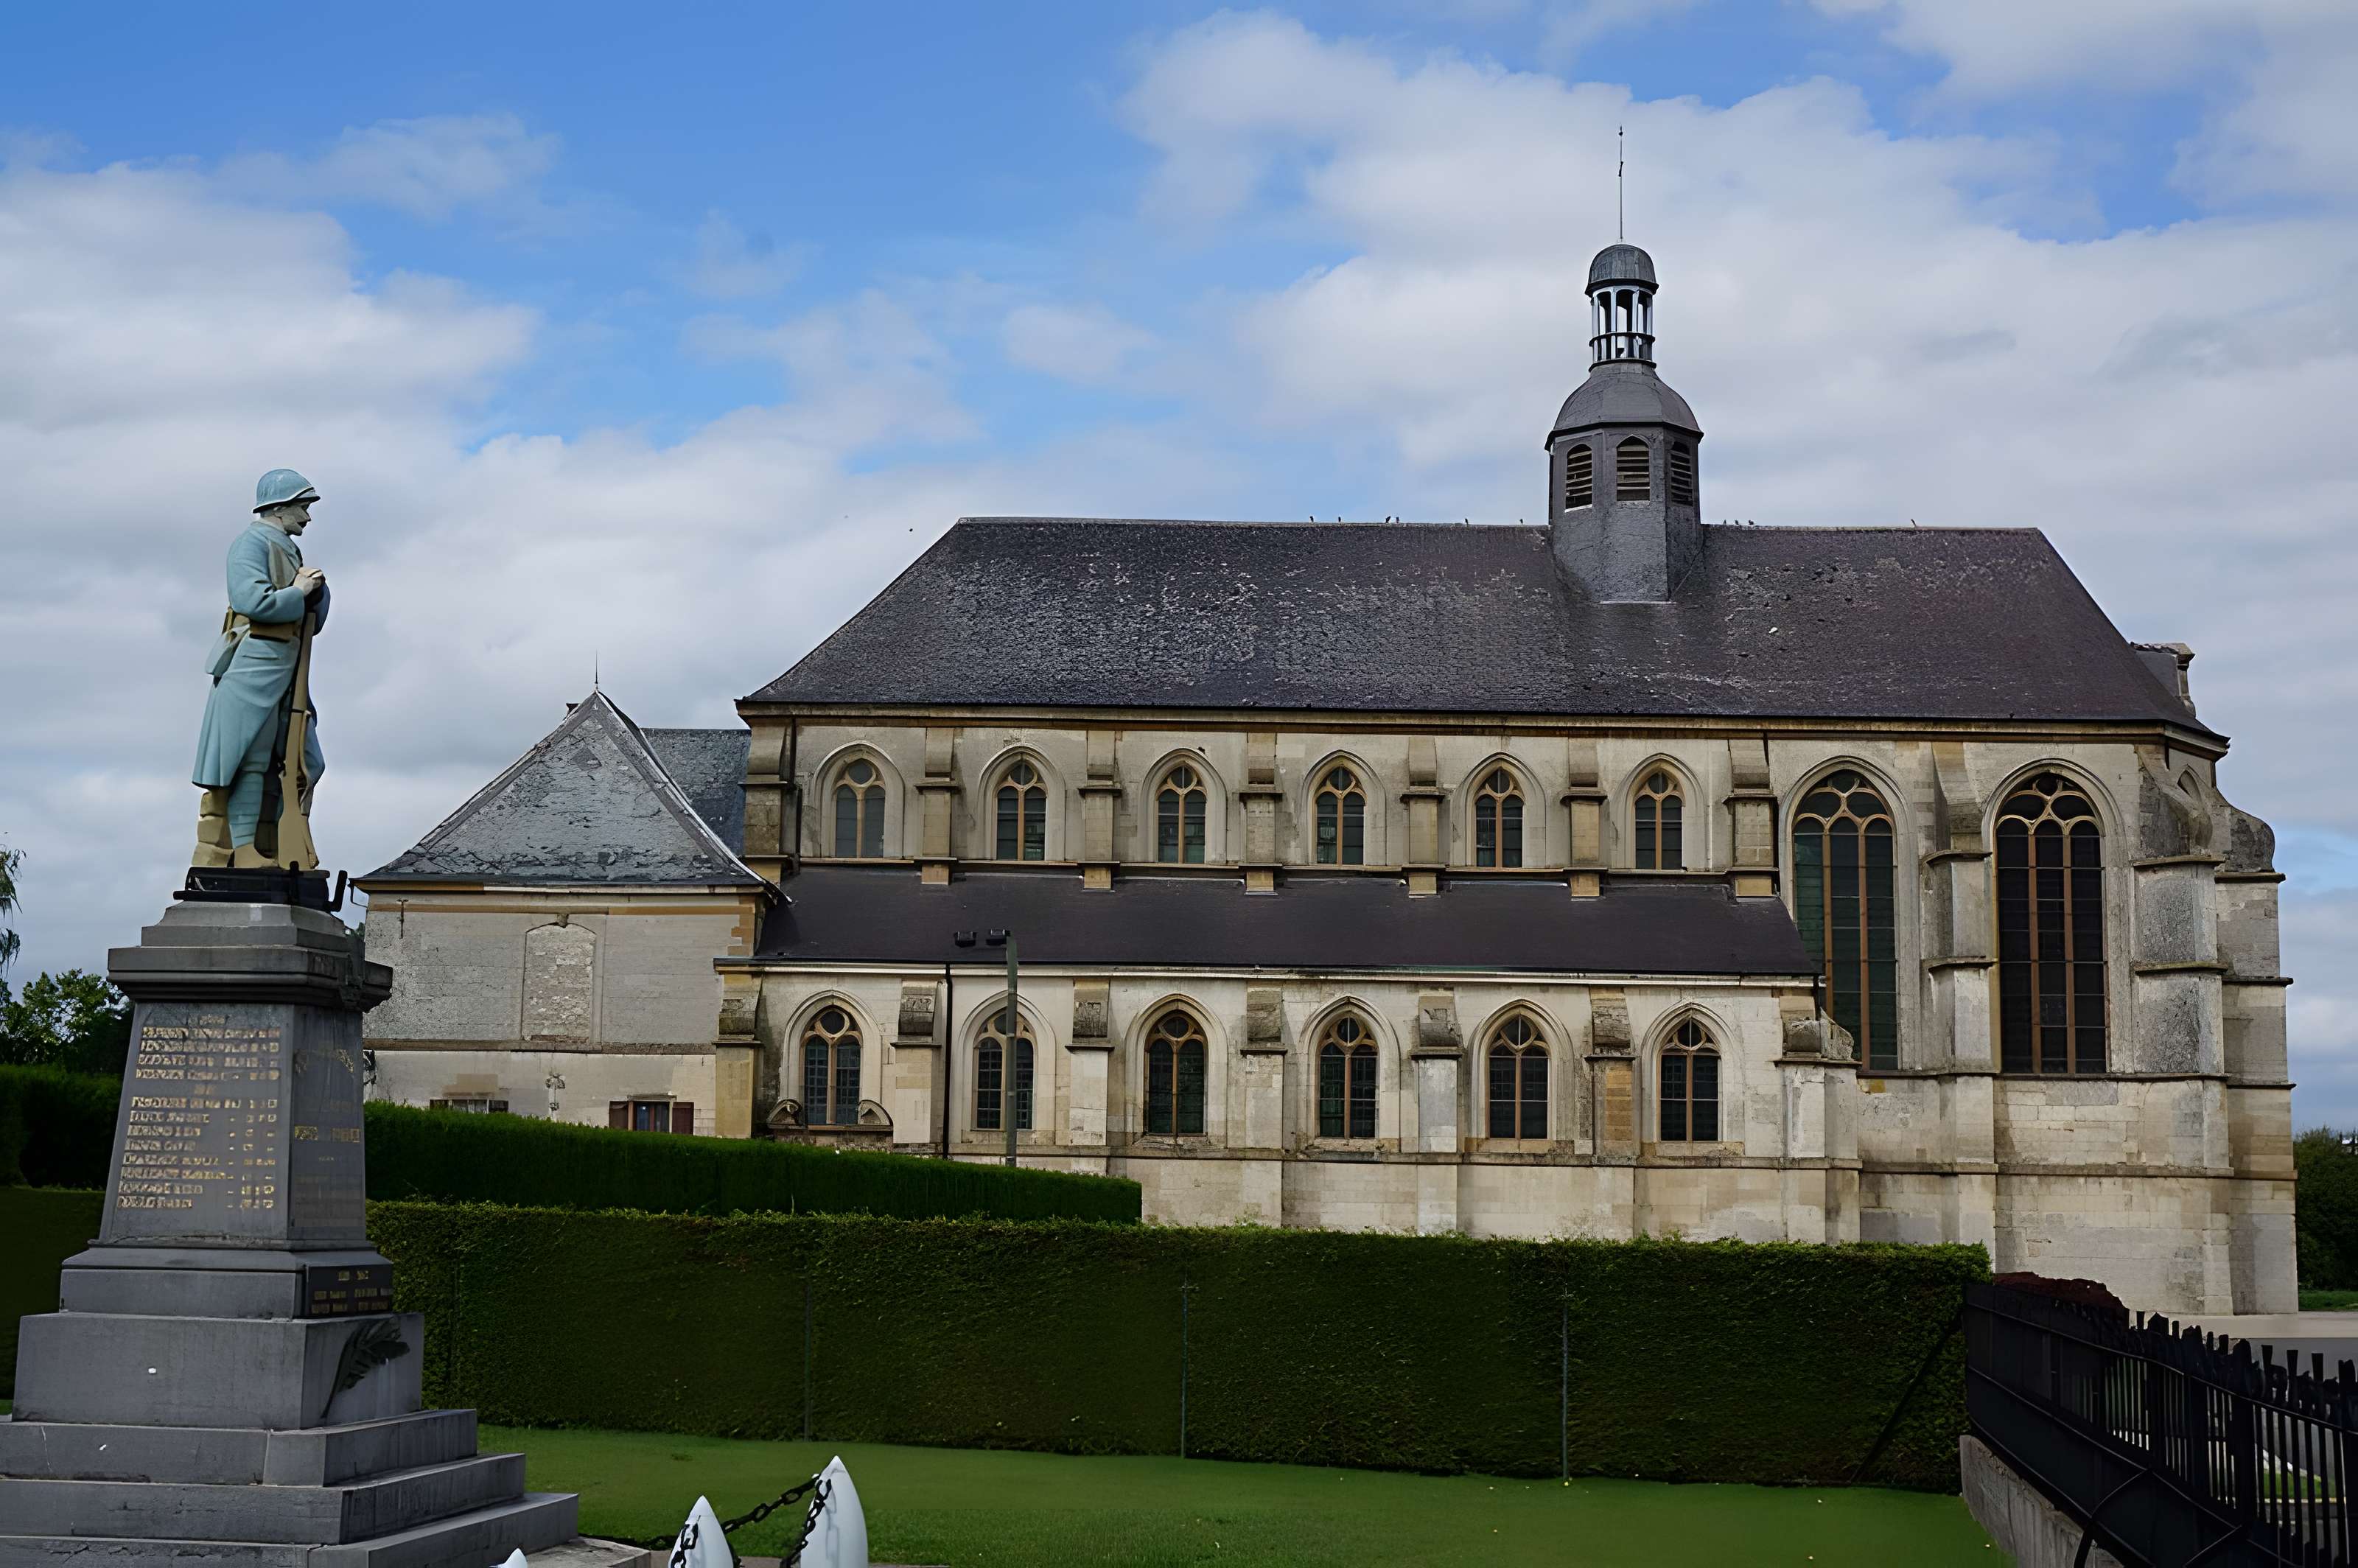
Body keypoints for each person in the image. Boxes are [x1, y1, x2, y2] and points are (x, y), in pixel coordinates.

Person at [191, 469, 329, 869]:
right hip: (256, 662)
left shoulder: (285, 546)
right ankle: (245, 849)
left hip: (286, 663)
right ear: (280, 507)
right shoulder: (251, 543)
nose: (307, 517)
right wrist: (300, 591)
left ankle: (289, 848)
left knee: (304, 761)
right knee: (250, 759)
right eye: (302, 507)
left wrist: (316, 593)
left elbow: (309, 617)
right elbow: (251, 600)